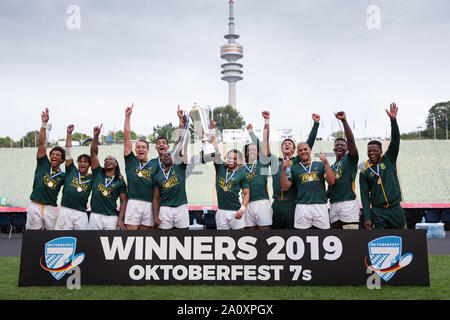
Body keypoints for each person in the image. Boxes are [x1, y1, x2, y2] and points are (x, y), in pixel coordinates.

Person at [251, 113, 320, 229]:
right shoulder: (274, 160)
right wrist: (263, 124)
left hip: (292, 203)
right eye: (284, 144)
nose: (287, 144)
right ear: (281, 148)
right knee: (275, 235)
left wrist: (316, 124)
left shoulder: (298, 160)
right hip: (277, 203)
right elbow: (263, 144)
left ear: (294, 149)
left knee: (292, 234)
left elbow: (309, 143)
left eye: (290, 144)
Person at [359, 103, 406, 230]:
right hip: (378, 212)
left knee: (404, 239)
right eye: (369, 151)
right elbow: (364, 195)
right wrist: (367, 217)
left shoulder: (389, 159)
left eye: (375, 151)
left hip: (395, 208)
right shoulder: (364, 171)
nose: (372, 153)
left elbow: (396, 139)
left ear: (381, 151)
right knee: (382, 242)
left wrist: (393, 121)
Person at [123, 103, 161, 230]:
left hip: (149, 204)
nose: (140, 149)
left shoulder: (154, 164)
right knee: (130, 237)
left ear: (147, 150)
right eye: (138, 147)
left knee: (147, 238)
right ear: (135, 149)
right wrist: (127, 117)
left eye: (143, 147)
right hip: (133, 202)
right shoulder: (131, 161)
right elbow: (127, 137)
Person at [26, 108, 66, 230]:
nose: (54, 156)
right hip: (35, 206)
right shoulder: (43, 163)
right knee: (34, 237)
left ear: (62, 160)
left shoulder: (63, 176)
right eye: (52, 154)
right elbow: (42, 143)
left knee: (52, 238)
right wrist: (44, 123)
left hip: (51, 209)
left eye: (57, 155)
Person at [281, 142, 335, 229]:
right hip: (302, 206)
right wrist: (284, 169)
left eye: (305, 149)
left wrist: (326, 162)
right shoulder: (292, 168)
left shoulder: (320, 165)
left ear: (309, 150)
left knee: (323, 236)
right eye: (300, 150)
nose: (303, 152)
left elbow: (331, 181)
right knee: (302, 236)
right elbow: (285, 187)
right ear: (297, 153)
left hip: (320, 205)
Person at [152, 111, 190, 230]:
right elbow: (156, 197)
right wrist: (155, 216)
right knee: (164, 238)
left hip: (181, 206)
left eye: (169, 154)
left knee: (183, 236)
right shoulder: (155, 171)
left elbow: (181, 142)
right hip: (164, 208)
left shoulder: (179, 166)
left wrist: (182, 123)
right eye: (164, 155)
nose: (166, 156)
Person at [210, 120, 250, 230]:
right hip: (221, 210)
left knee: (240, 239)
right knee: (223, 240)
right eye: (230, 157)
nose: (232, 160)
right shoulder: (220, 166)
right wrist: (212, 129)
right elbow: (215, 149)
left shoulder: (242, 173)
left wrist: (242, 209)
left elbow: (246, 194)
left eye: (235, 158)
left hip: (235, 210)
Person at [89, 124, 128, 230]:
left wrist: (120, 219)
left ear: (116, 164)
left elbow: (123, 201)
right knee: (92, 243)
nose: (108, 161)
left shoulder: (120, 181)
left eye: (111, 159)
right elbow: (93, 153)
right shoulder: (97, 173)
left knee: (109, 245)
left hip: (111, 217)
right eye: (106, 160)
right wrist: (96, 136)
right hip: (95, 215)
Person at [55, 124, 92, 230]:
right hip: (65, 211)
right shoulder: (71, 171)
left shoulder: (92, 178)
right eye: (80, 161)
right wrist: (69, 134)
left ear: (89, 165)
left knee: (82, 240)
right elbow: (68, 153)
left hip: (81, 213)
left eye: (85, 162)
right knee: (61, 239)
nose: (82, 164)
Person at [328, 112, 360, 229]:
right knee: (336, 238)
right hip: (333, 204)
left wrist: (344, 121)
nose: (340, 147)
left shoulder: (350, 159)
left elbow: (351, 140)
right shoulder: (331, 167)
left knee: (350, 238)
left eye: (343, 145)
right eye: (337, 145)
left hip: (348, 203)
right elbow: (329, 190)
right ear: (333, 149)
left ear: (347, 148)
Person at [243, 111, 273, 229]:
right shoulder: (242, 168)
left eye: (254, 150)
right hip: (247, 204)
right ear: (246, 153)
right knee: (250, 236)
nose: (251, 152)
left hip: (262, 202)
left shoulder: (262, 163)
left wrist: (266, 121)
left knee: (263, 235)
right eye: (249, 150)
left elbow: (265, 140)